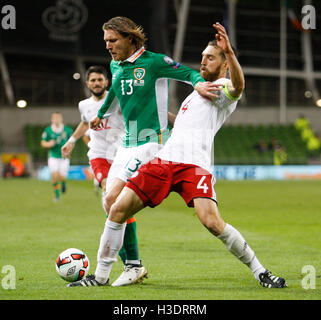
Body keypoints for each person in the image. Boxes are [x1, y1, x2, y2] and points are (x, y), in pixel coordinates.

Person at [70, 22, 287, 288]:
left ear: (225, 63)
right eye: (203, 57)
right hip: (164, 161)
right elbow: (176, 122)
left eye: (211, 57)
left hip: (194, 166)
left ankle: (261, 272)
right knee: (116, 208)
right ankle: (101, 278)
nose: (203, 62)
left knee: (212, 222)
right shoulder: (193, 96)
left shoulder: (223, 89)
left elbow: (239, 87)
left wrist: (229, 52)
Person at [69, 17, 219, 288]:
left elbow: (188, 72)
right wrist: (101, 114)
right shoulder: (116, 64)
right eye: (106, 41)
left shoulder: (153, 62)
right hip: (126, 144)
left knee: (115, 200)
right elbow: (114, 89)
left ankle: (102, 276)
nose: (108, 46)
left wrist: (197, 84)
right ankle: (133, 266)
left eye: (113, 40)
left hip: (152, 142)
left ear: (129, 38)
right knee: (108, 203)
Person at [61, 65, 148, 286]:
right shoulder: (85, 105)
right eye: (93, 80)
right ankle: (132, 263)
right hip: (99, 157)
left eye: (100, 79)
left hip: (120, 155)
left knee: (117, 208)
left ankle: (131, 264)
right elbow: (84, 122)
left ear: (107, 82)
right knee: (114, 202)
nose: (97, 83)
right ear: (87, 83)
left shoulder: (117, 98)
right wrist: (71, 141)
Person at [41, 112, 73, 202]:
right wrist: (49, 144)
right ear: (52, 119)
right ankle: (57, 196)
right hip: (53, 156)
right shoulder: (48, 130)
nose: (56, 119)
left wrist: (69, 151)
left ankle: (63, 183)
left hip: (64, 157)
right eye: (54, 118)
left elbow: (72, 142)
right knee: (54, 176)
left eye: (58, 117)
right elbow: (43, 143)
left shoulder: (67, 130)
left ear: (61, 119)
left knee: (62, 177)